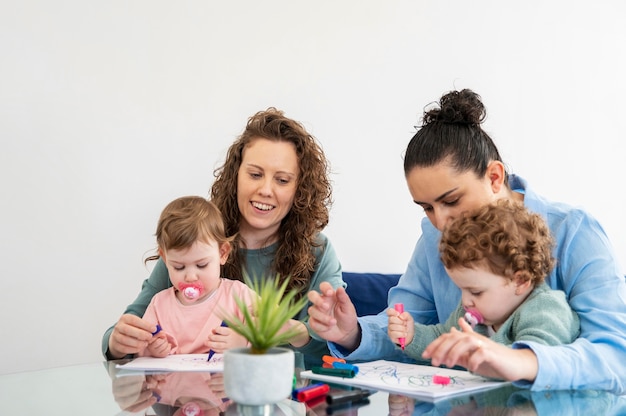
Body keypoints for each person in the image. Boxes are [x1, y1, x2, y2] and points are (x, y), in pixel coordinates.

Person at [307, 89, 626, 392]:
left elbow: (615, 357)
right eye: (427, 207)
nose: (441, 222)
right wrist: (353, 334)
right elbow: (411, 329)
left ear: (494, 177)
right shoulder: (434, 235)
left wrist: (521, 361)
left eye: (452, 200)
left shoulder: (574, 232)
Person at [103, 108, 345, 368]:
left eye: (282, 180)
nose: (265, 190)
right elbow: (124, 331)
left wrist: (290, 330)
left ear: (300, 189)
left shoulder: (317, 250)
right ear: (236, 175)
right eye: (254, 174)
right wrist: (118, 344)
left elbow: (335, 348)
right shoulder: (197, 240)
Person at [387, 200, 580, 377]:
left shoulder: (545, 308)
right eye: (461, 289)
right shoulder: (469, 312)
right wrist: (412, 336)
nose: (465, 300)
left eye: (476, 292)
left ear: (520, 281)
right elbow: (443, 337)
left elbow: (536, 358)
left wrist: (481, 350)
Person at [139, 196, 256, 357]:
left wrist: (243, 342)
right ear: (165, 259)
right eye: (179, 267)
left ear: (222, 253)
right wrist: (151, 349)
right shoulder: (159, 305)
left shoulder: (239, 295)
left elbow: (271, 331)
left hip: (225, 381)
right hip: (174, 381)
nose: (190, 277)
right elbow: (140, 351)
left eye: (201, 265)